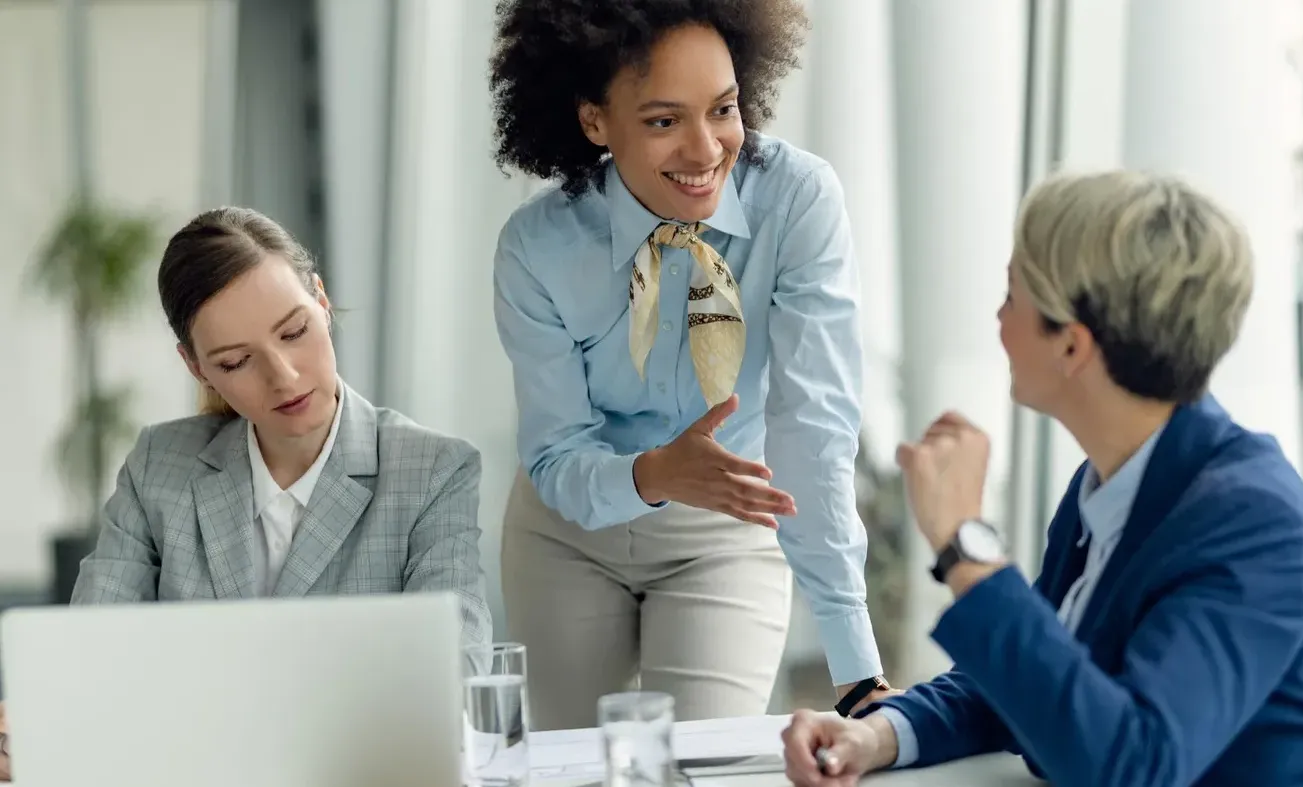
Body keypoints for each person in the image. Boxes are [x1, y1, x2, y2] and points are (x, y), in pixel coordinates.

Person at [781, 171, 1303, 786]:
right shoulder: (1113, 480)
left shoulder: (1253, 520)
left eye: (1013, 296)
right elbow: (1043, 681)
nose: (998, 318)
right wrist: (878, 732)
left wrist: (965, 544)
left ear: (1071, 347)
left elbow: (1134, 765)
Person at [488, 0, 894, 729]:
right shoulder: (537, 247)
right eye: (664, 120)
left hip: (724, 527)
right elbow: (555, 453)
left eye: (724, 109)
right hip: (569, 533)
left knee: (704, 765)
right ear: (594, 122)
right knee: (574, 771)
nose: (707, 149)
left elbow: (813, 429)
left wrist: (856, 664)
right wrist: (652, 473)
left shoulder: (798, 203)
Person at [0, 206, 494, 782]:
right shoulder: (161, 467)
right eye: (236, 361)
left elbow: (451, 679)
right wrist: (36, 728)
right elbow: (92, 657)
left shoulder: (432, 470)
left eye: (294, 332)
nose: (283, 375)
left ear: (322, 301)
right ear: (197, 368)